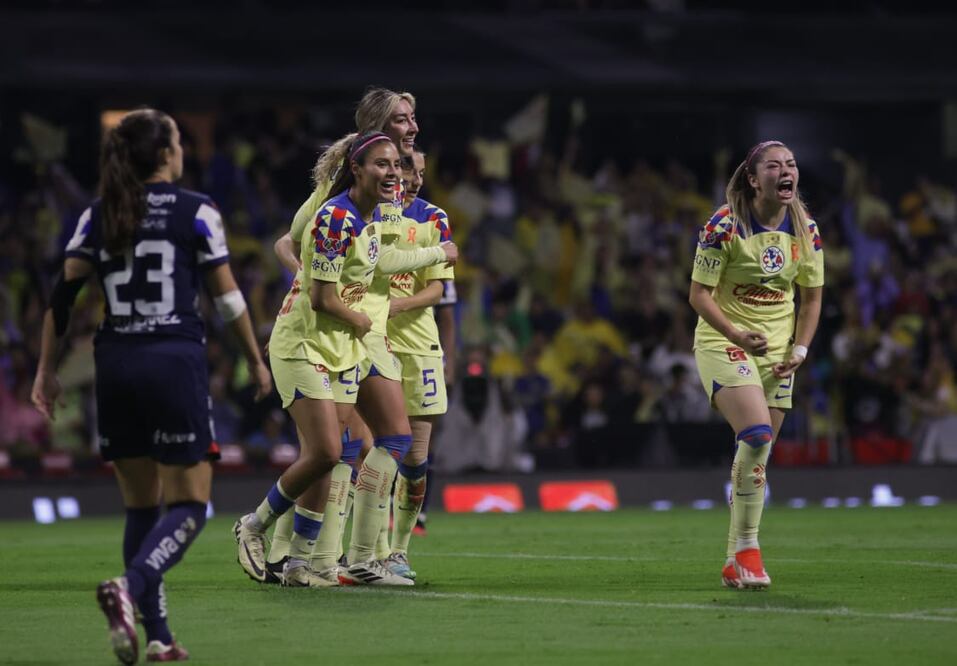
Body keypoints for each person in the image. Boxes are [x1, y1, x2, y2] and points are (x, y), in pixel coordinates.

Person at [31, 108, 272, 663]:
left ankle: (159, 637)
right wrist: (255, 360)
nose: (183, 148)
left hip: (115, 363)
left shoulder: (99, 214)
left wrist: (46, 369)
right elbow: (229, 299)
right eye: (180, 140)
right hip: (172, 361)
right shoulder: (196, 210)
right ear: (166, 154)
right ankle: (130, 586)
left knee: (142, 509)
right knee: (190, 506)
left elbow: (61, 300)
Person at [234, 131, 456, 588]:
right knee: (329, 452)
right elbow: (319, 298)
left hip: (343, 346)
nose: (394, 173)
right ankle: (255, 526)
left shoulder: (372, 219)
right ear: (355, 169)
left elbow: (383, 261)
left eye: (398, 165)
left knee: (339, 452)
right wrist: (361, 317)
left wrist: (436, 253)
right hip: (307, 343)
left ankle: (303, 563)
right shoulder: (335, 217)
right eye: (382, 164)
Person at [263, 88, 419, 582]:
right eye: (402, 119)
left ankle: (312, 557)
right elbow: (289, 241)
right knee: (353, 445)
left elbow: (377, 255)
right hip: (340, 328)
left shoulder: (385, 187)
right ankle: (336, 557)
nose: (412, 127)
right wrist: (314, 282)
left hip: (359, 327)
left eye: (413, 119)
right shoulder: (340, 192)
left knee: (345, 446)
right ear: (377, 129)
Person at [688, 140, 824, 590]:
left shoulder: (806, 230)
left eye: (791, 163)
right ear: (753, 178)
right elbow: (699, 295)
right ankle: (748, 551)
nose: (786, 170)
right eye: (774, 165)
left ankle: (735, 560)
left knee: (758, 456)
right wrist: (735, 335)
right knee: (757, 435)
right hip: (724, 341)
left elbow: (811, 299)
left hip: (778, 355)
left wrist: (799, 351)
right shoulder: (724, 226)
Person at [378, 146, 455, 579]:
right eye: (409, 166)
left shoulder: (434, 218)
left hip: (420, 347)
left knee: (416, 459)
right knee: (374, 450)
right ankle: (365, 550)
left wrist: (390, 306)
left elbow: (437, 292)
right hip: (375, 345)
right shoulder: (369, 213)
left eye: (422, 170)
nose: (416, 177)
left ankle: (399, 551)